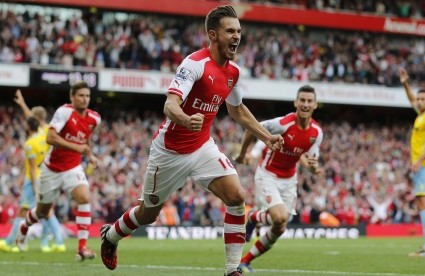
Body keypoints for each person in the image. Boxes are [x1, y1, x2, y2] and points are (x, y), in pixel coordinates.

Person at [99, 5, 283, 276]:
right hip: (169, 151)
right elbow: (170, 104)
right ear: (213, 34)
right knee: (147, 214)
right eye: (230, 31)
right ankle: (111, 236)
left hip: (201, 147)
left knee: (236, 197)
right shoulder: (194, 64)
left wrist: (266, 137)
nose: (236, 37)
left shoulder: (233, 72)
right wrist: (185, 119)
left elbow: (237, 109)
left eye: (239, 31)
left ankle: (233, 270)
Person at [234, 85, 323, 272]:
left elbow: (310, 161)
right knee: (280, 216)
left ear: (315, 105)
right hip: (268, 174)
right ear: (296, 103)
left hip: (290, 179)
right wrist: (243, 154)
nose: (305, 104)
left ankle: (245, 260)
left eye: (309, 101)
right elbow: (252, 127)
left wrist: (315, 169)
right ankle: (253, 218)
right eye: (302, 100)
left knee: (280, 227)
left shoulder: (316, 133)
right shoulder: (283, 124)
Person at [16, 81, 101, 261]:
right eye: (80, 95)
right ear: (72, 97)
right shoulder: (64, 112)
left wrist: (90, 155)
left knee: (85, 197)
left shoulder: (95, 119)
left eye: (87, 96)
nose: (84, 99)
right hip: (52, 169)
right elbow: (50, 137)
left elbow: (85, 140)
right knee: (41, 211)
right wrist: (77, 148)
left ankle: (82, 248)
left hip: (73, 167)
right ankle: (24, 227)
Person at [10, 89, 66, 253]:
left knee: (39, 211)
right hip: (48, 175)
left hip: (37, 176)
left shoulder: (41, 134)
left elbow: (31, 119)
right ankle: (46, 243)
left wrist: (22, 104)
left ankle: (12, 241)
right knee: (46, 211)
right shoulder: (46, 132)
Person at [399, 68, 425, 257]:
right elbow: (410, 99)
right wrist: (405, 84)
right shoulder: (421, 115)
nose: (419, 101)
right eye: (418, 99)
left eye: (423, 99)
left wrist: (418, 161)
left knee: (424, 204)